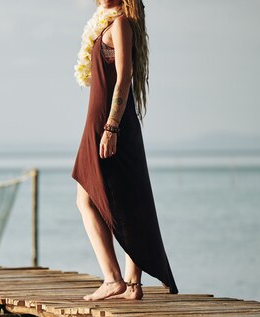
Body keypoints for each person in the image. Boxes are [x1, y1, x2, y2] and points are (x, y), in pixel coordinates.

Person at [71, 0, 178, 301]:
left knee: (86, 198)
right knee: (127, 197)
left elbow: (124, 77)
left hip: (108, 121)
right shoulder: (107, 23)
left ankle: (112, 278)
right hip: (105, 119)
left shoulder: (120, 24)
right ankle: (132, 284)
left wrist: (111, 126)